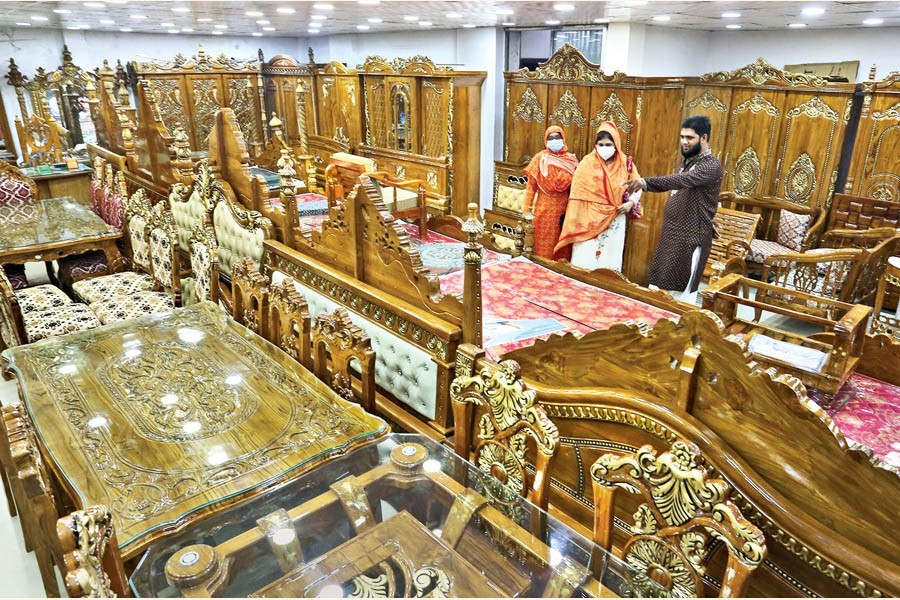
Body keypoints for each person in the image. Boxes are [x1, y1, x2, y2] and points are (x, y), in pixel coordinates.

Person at [624, 115, 723, 295]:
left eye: (690, 138)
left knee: (679, 296)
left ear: (704, 138)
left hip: (690, 238)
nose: (684, 142)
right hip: (672, 234)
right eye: (682, 137)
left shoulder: (711, 165)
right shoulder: (688, 162)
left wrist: (645, 183)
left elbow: (682, 180)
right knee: (658, 287)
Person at [554, 122, 642, 271]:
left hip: (614, 218)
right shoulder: (586, 163)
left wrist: (631, 203)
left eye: (608, 144)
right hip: (587, 219)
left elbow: (638, 186)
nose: (604, 148)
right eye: (601, 144)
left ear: (616, 144)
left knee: (609, 261)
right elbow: (577, 194)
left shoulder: (626, 164)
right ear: (595, 145)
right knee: (584, 258)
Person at [522, 126, 579, 260]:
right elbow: (531, 186)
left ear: (563, 139)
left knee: (561, 247)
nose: (554, 141)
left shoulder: (571, 160)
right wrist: (526, 209)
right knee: (543, 248)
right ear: (546, 140)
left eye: (557, 137)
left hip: (564, 211)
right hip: (543, 210)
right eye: (550, 138)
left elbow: (576, 188)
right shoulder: (540, 158)